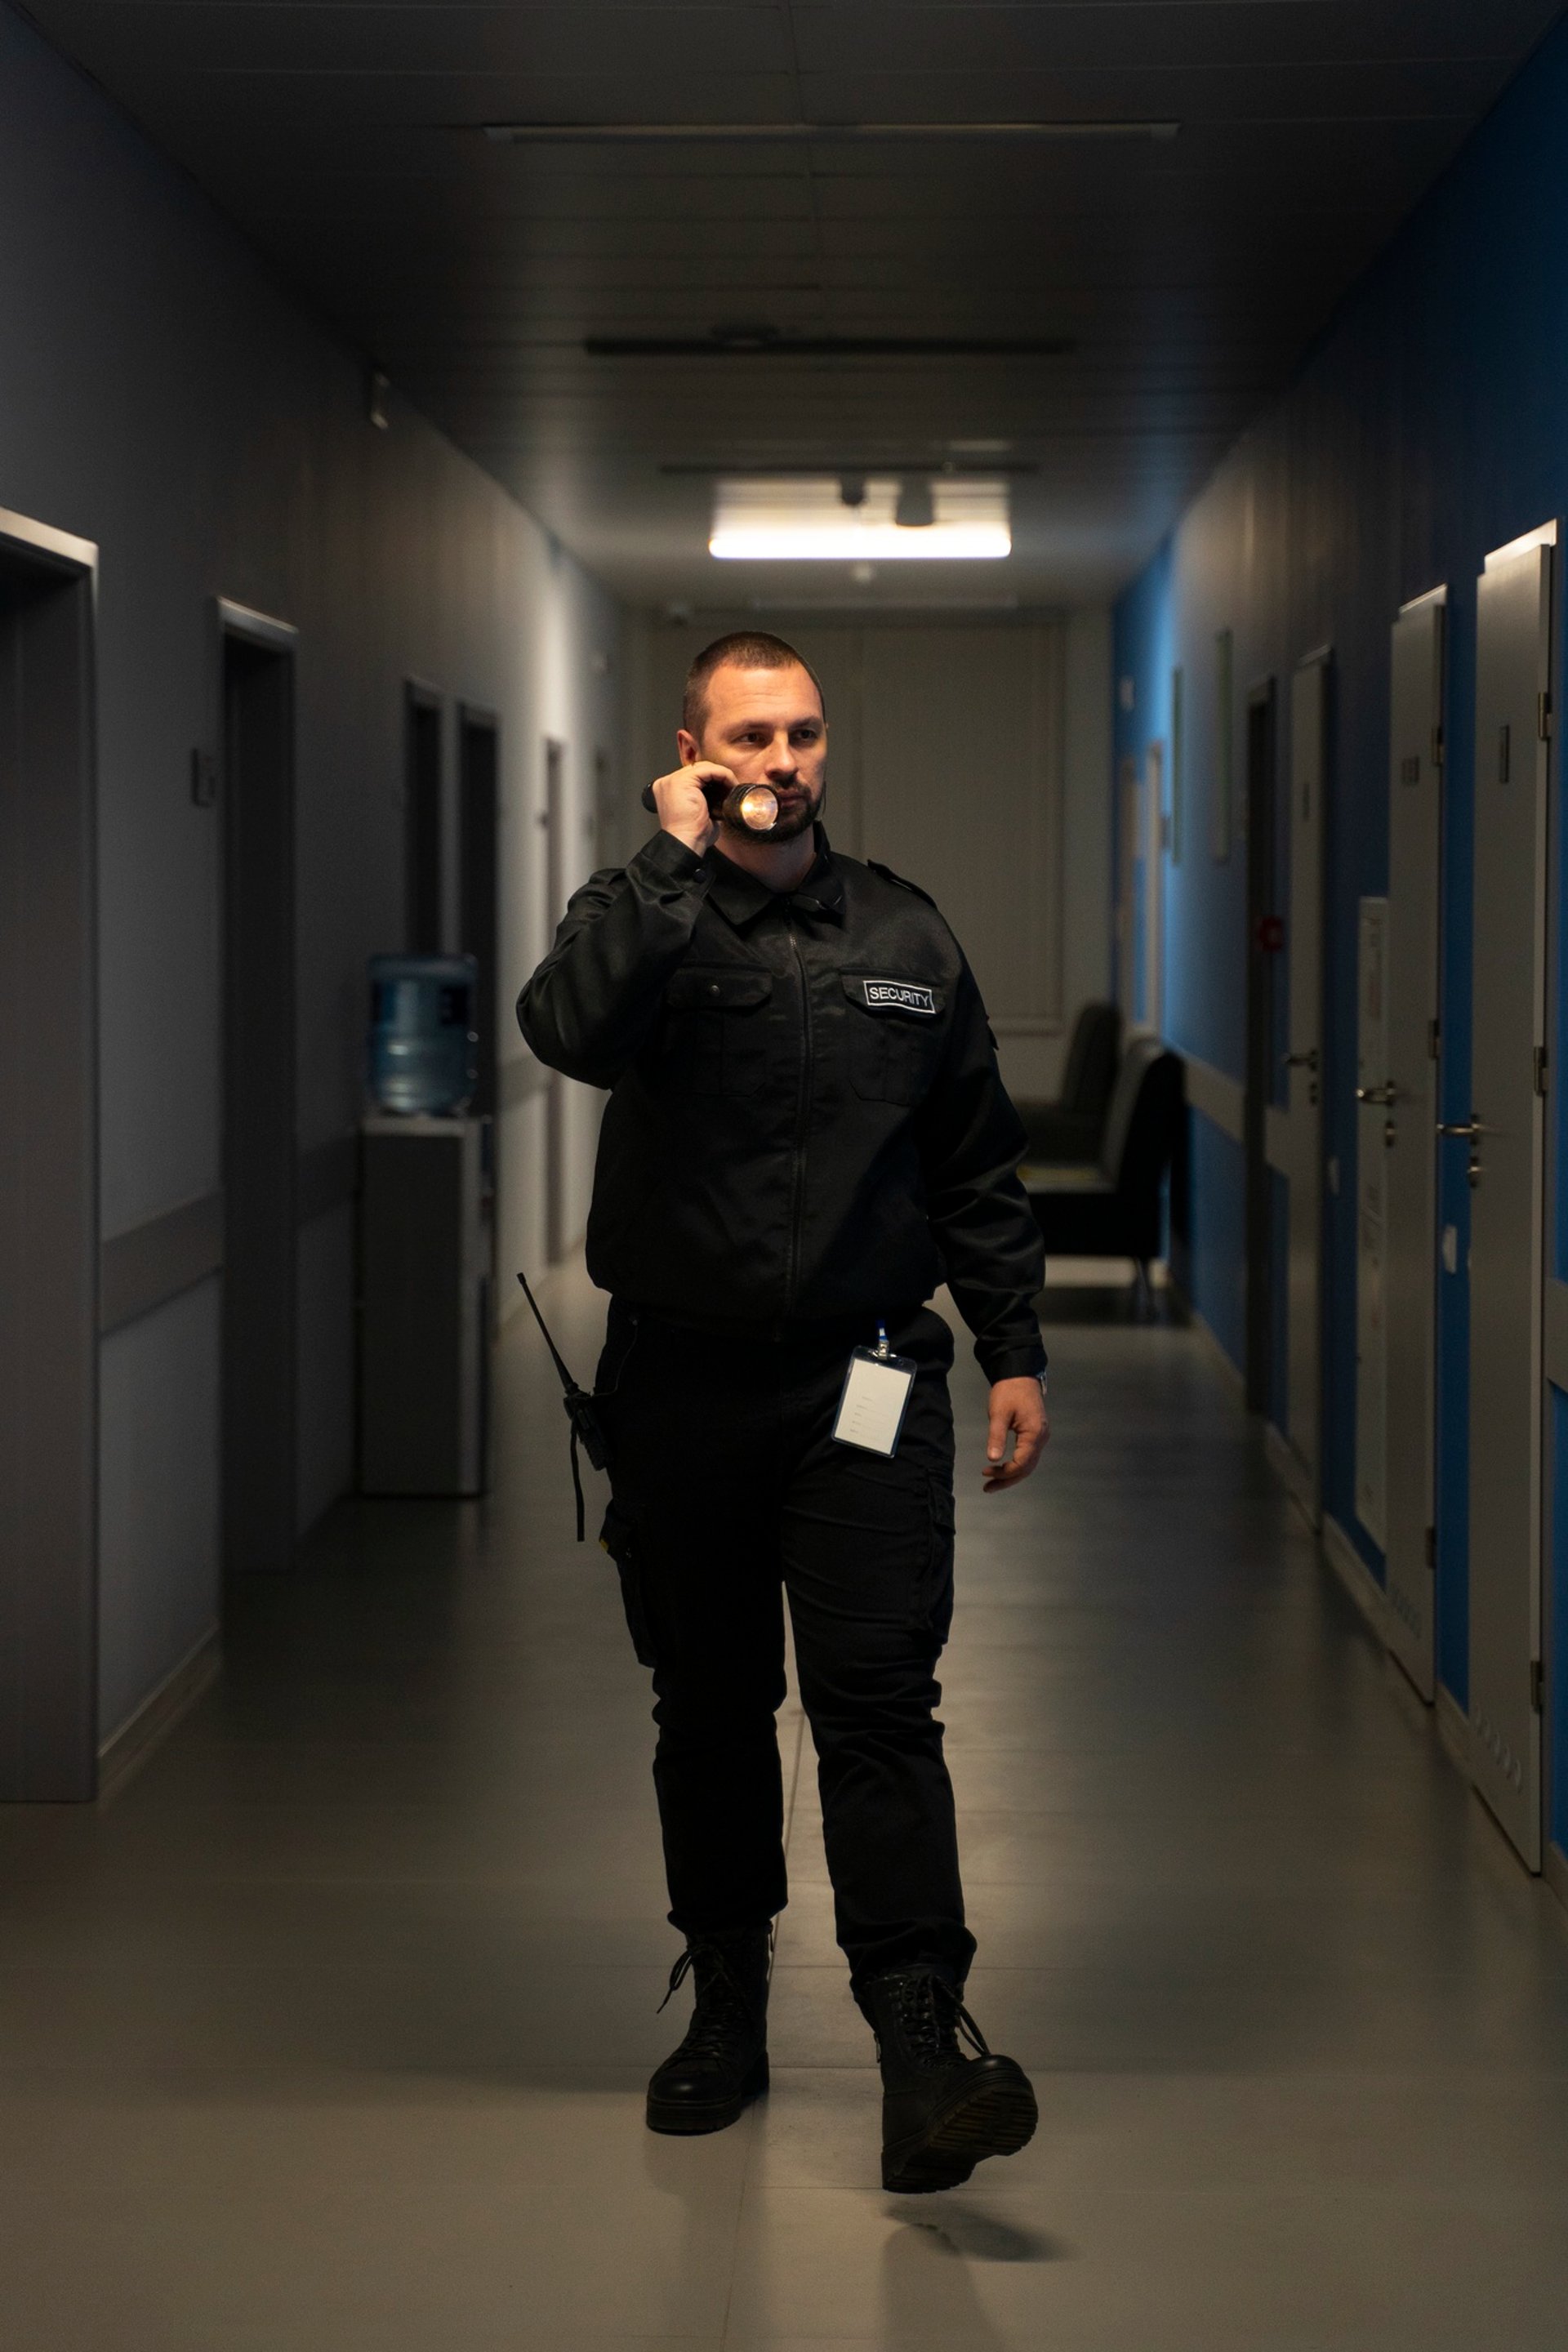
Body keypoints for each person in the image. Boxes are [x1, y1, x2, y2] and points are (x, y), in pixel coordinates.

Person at [517, 630, 1049, 2193]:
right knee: (711, 1703)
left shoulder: (903, 929)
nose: (782, 764)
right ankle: (729, 2006)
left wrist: (1012, 1343)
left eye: (804, 735)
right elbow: (568, 1032)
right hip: (680, 1384)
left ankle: (917, 2039)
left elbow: (974, 1162)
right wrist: (668, 864)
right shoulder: (642, 921)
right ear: (690, 750)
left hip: (866, 1378)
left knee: (881, 1702)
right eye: (749, 738)